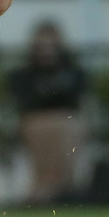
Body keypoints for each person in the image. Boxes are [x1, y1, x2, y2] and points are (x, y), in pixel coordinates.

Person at [7, 21, 88, 205]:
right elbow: (26, 99)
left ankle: (55, 187)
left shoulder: (72, 71)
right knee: (44, 129)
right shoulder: (25, 73)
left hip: (65, 120)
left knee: (64, 127)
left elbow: (75, 97)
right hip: (35, 120)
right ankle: (50, 187)